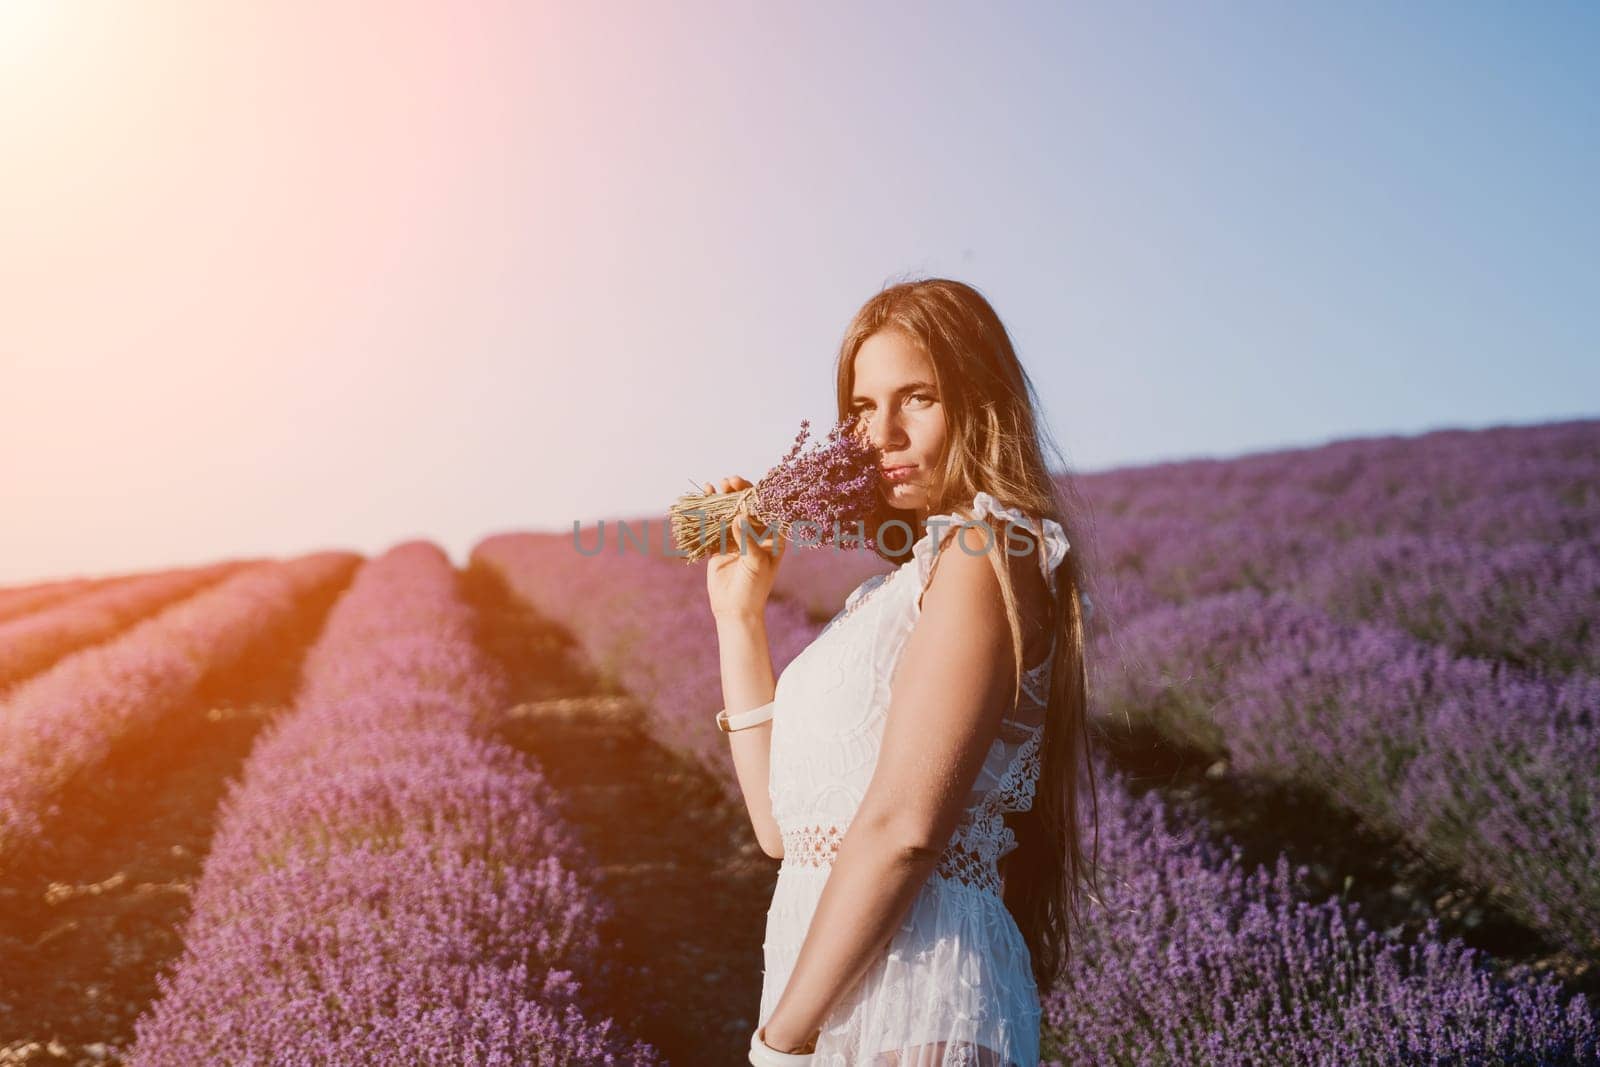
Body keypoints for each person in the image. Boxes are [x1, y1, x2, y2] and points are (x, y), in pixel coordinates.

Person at [704, 278, 1101, 1066]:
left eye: (916, 397)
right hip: (837, 993)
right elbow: (787, 832)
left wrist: (783, 1037)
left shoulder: (988, 553)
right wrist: (739, 619)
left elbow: (905, 833)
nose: (881, 431)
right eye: (860, 407)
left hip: (919, 1000)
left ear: (981, 402)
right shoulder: (892, 587)